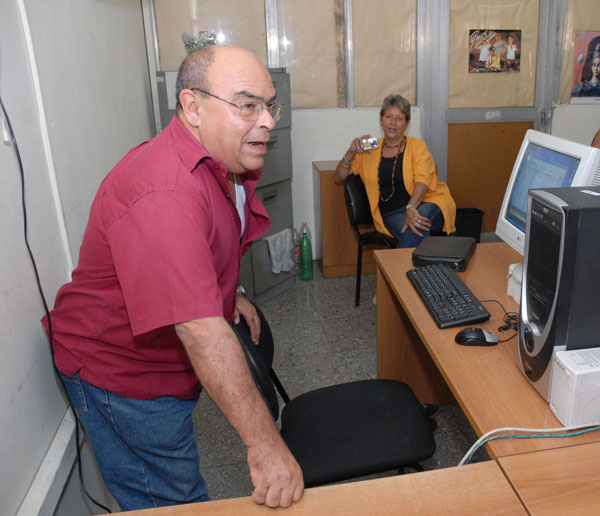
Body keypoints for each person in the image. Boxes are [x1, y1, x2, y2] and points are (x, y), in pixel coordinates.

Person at [41, 45, 304, 511]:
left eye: (269, 105)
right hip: (122, 376)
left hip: (166, 364)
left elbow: (211, 243)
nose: (265, 120)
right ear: (192, 106)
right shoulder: (162, 190)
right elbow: (200, 332)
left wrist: (233, 291)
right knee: (172, 501)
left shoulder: (226, 163)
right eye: (247, 105)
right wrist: (266, 447)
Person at [335, 94, 456, 248]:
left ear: (407, 124)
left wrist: (411, 208)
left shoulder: (417, 146)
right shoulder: (369, 149)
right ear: (381, 120)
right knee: (416, 229)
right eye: (389, 117)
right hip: (391, 214)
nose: (393, 123)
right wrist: (351, 152)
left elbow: (423, 181)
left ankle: (398, 271)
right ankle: (418, 270)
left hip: (426, 203)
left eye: (399, 118)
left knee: (419, 219)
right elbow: (339, 176)